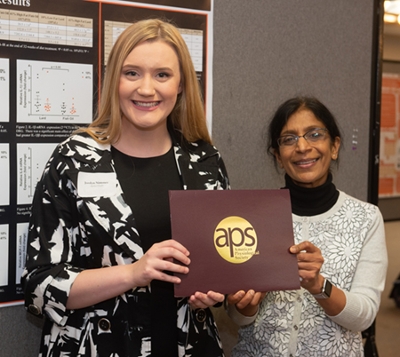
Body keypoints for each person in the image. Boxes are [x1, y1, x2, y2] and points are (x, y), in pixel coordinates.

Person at [21, 18, 231, 357]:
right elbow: (38, 286)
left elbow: (223, 261)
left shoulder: (204, 161)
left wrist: (215, 291)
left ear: (180, 86)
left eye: (162, 74)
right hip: (99, 346)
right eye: (131, 73)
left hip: (190, 344)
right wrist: (134, 273)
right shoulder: (73, 159)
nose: (146, 89)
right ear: (113, 80)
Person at [227, 96, 388, 356]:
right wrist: (245, 306)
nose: (302, 147)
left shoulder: (366, 218)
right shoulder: (253, 217)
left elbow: (364, 317)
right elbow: (239, 318)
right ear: (278, 156)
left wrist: (319, 285)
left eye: (314, 134)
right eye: (289, 139)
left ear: (334, 146)